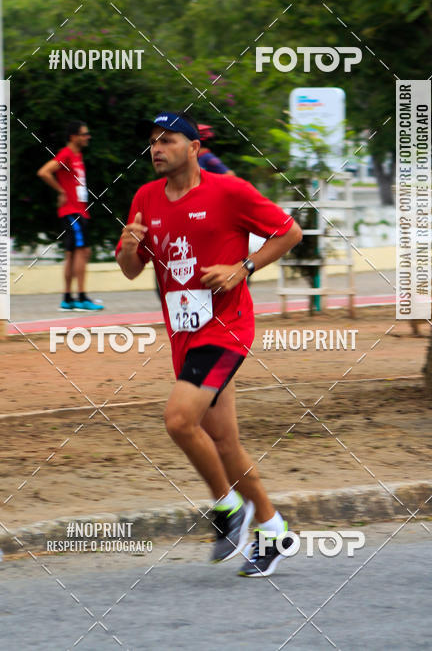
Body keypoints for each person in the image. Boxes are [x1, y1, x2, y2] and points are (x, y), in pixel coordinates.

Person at [116, 111, 302, 576]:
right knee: (222, 441)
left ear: (194, 147)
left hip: (227, 327)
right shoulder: (145, 197)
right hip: (183, 332)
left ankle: (227, 509)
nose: (157, 148)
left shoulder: (229, 191)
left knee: (179, 420)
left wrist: (244, 267)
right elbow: (131, 269)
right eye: (153, 141)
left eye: (168, 140)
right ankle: (273, 526)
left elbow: (288, 232)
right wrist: (127, 245)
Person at [37, 120, 104, 311]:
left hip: (79, 211)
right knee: (81, 253)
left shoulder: (77, 155)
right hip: (72, 212)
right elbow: (44, 172)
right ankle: (81, 298)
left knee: (74, 254)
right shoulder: (66, 154)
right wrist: (61, 191)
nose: (87, 137)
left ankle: (68, 298)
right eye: (84, 134)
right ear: (73, 137)